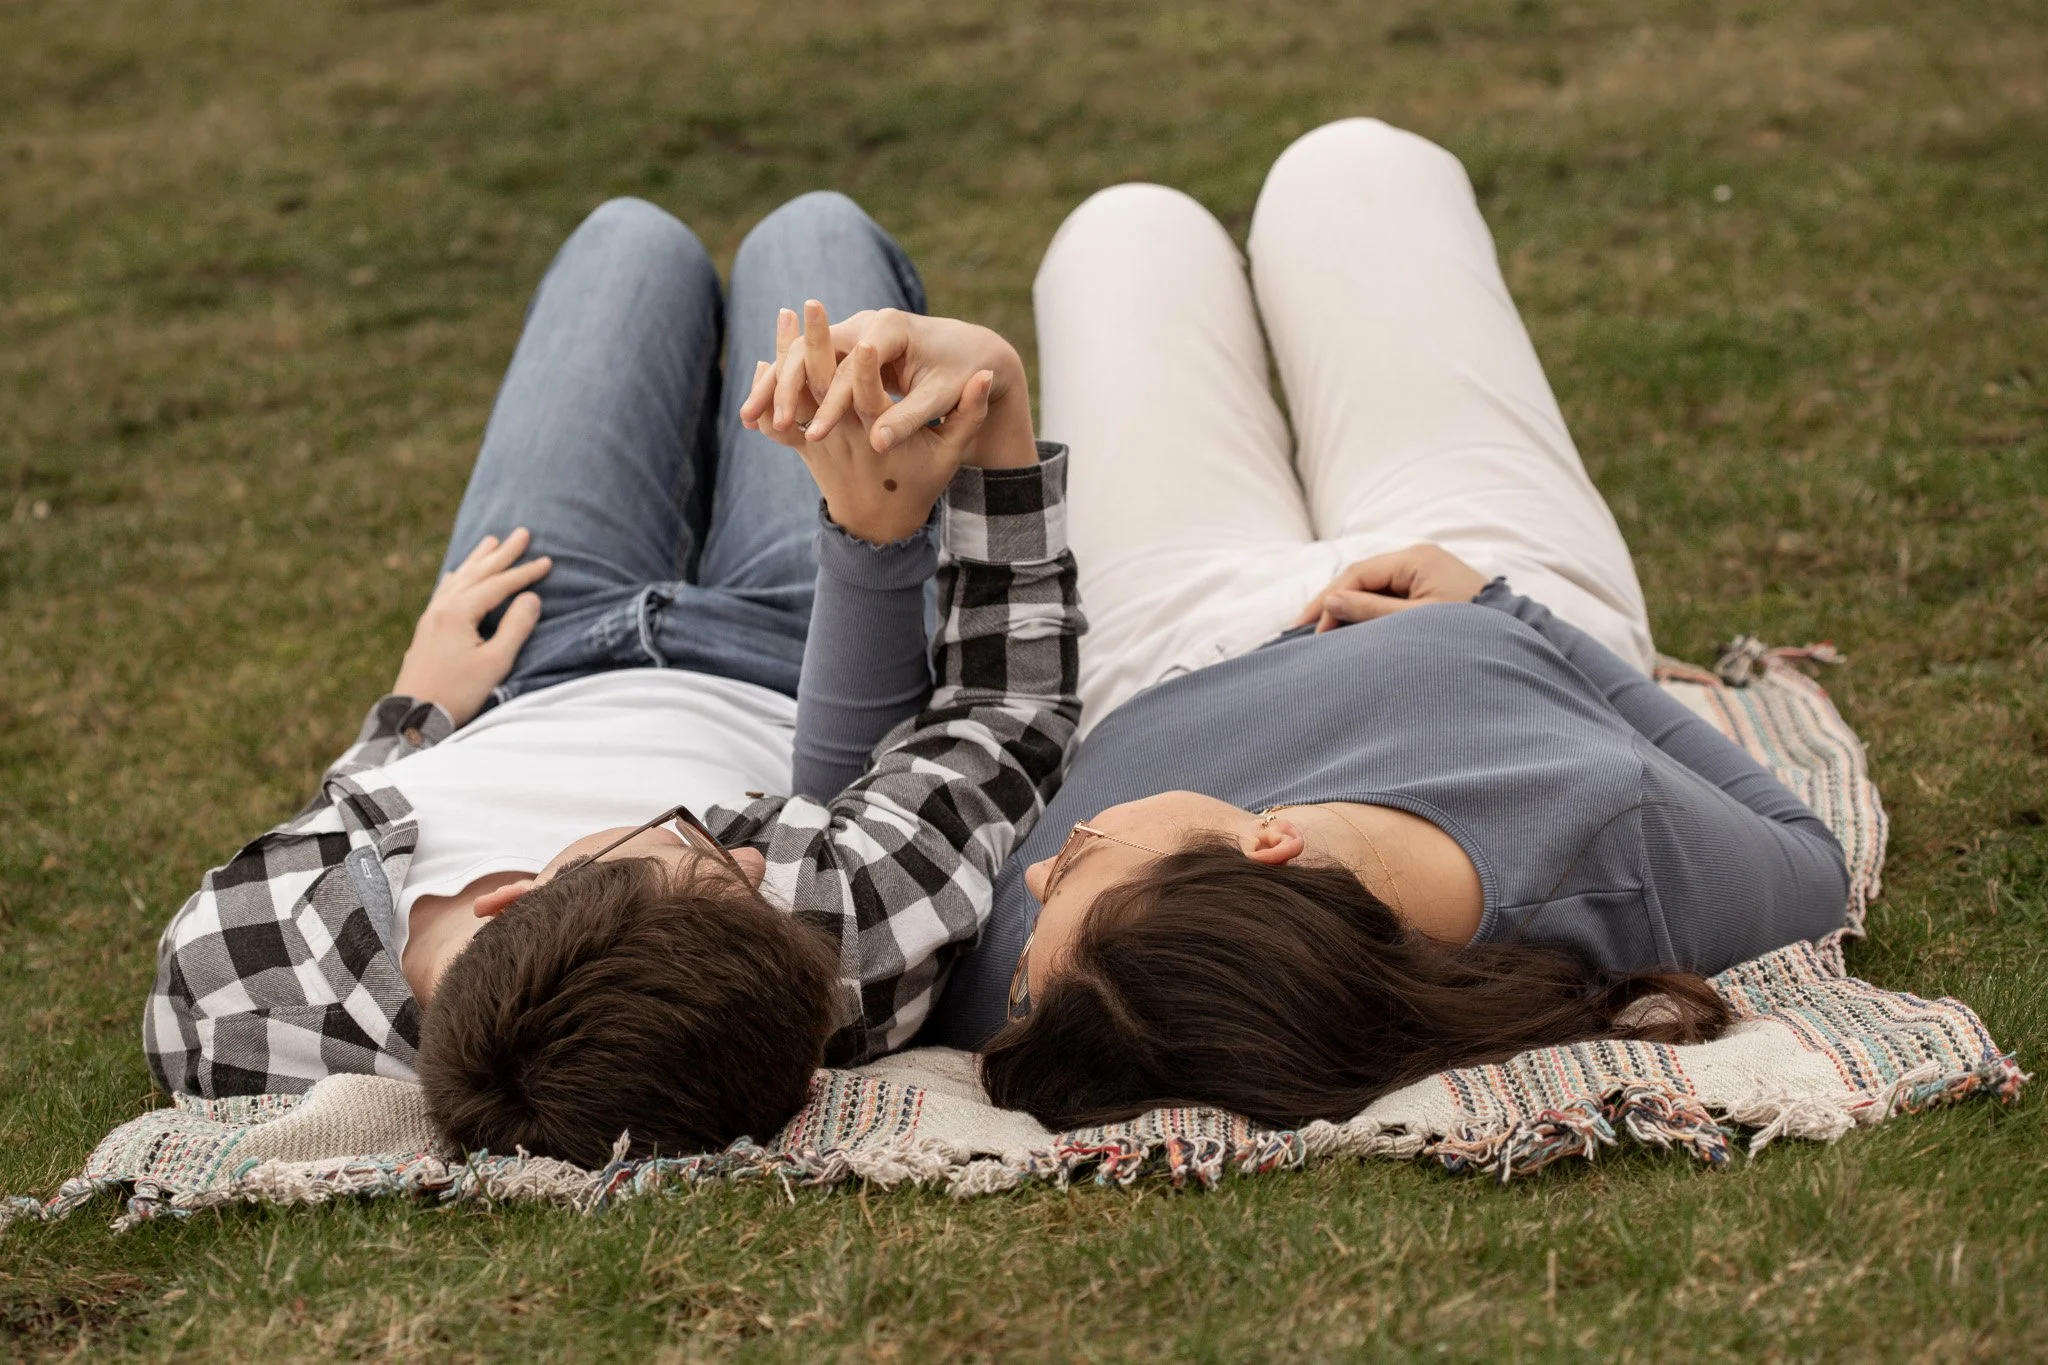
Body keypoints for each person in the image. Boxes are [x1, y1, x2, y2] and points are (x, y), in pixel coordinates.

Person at [901, 119, 1851, 1130]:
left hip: (1166, 639)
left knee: (1120, 230)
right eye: (1079, 861)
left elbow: (893, 789)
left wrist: (878, 528)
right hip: (1463, 586)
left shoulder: (1061, 983)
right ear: (1264, 844)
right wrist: (1503, 609)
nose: (1033, 874)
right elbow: (1808, 861)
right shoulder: (1605, 835)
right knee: (1351, 168)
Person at [142, 192, 1084, 1167]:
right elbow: (1002, 714)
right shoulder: (807, 963)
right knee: (812, 232)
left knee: (627, 239)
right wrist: (994, 413)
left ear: (507, 895)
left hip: (525, 639)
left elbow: (336, 819)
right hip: (797, 634)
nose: (761, 860)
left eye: (695, 849)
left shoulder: (232, 986)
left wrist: (409, 717)